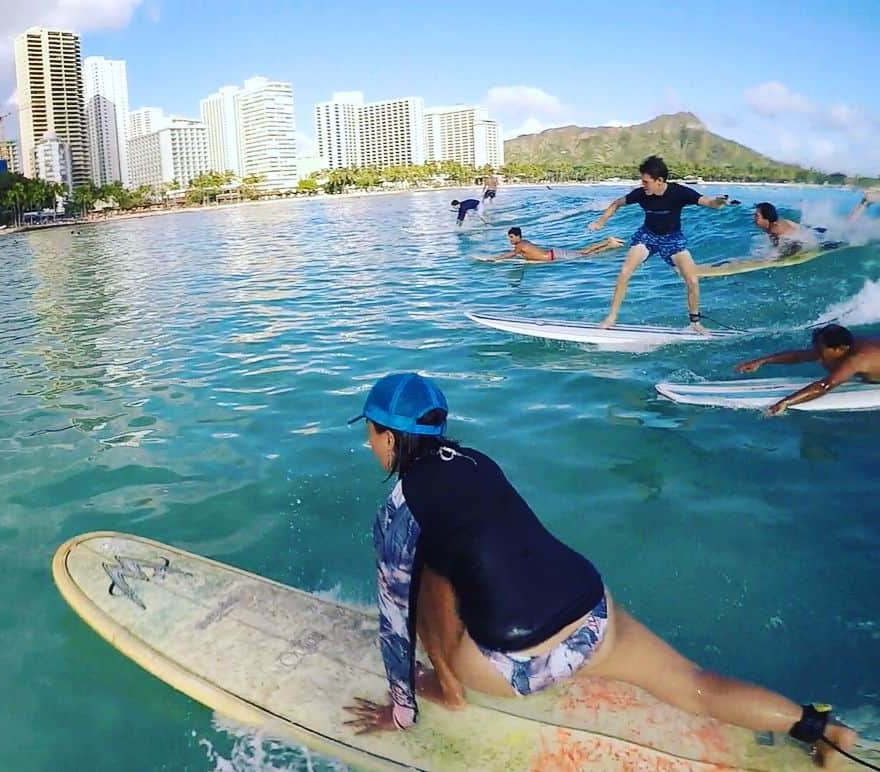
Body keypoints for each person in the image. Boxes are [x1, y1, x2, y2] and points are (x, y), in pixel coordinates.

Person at [343, 372, 857, 767]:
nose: (369, 445)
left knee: (427, 574)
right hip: (593, 617)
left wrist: (401, 711)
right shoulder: (477, 461)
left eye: (370, 433)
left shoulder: (398, 509)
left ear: (388, 436)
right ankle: (818, 729)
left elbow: (394, 623)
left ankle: (450, 690)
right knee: (694, 685)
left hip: (515, 663)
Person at [588, 156, 730, 332]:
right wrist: (601, 222)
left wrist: (718, 202)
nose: (642, 184)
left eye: (646, 181)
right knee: (624, 272)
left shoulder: (680, 192)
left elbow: (709, 203)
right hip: (647, 236)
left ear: (659, 181)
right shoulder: (641, 194)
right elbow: (617, 203)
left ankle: (695, 323)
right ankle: (611, 318)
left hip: (673, 239)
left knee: (692, 280)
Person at [735, 324, 880, 416]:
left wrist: (786, 402)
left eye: (821, 349)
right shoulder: (841, 346)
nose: (817, 352)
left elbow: (824, 386)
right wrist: (761, 361)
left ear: (840, 349)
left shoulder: (857, 359)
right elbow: (798, 356)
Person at [485, 226, 624, 262]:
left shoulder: (520, 245)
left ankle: (608, 242)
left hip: (554, 255)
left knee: (586, 254)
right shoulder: (524, 242)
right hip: (553, 253)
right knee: (584, 252)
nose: (510, 240)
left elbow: (512, 254)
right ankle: (608, 243)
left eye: (511, 237)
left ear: (518, 237)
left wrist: (496, 258)